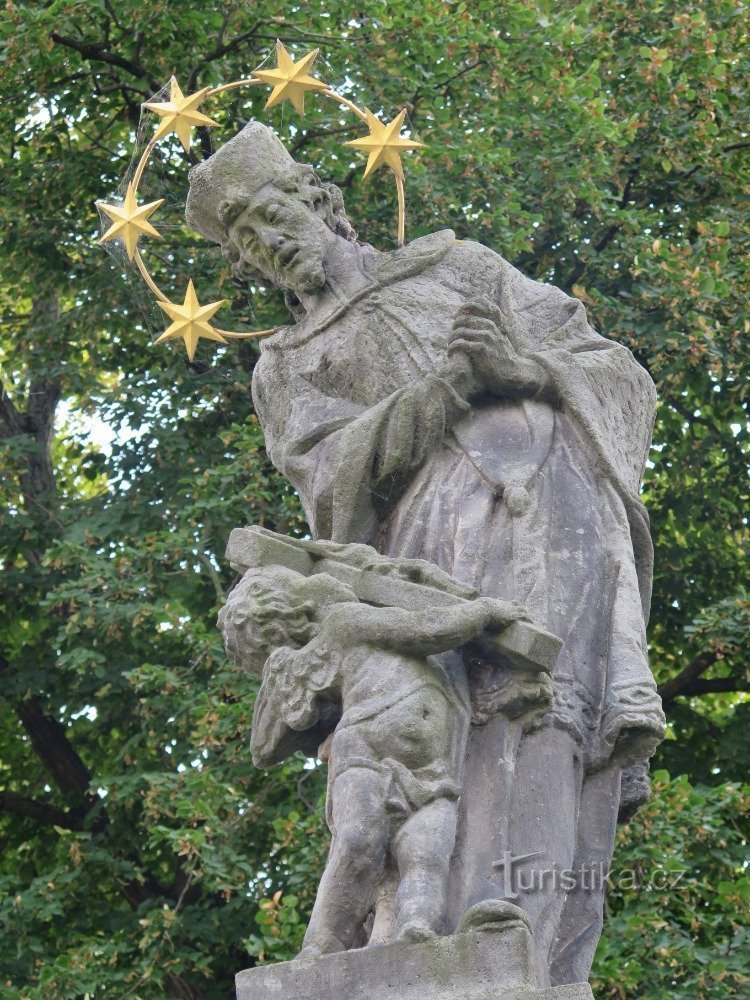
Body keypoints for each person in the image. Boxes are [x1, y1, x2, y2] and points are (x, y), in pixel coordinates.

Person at [188, 122, 665, 986]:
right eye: (248, 243)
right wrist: (444, 391)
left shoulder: (461, 269)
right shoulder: (287, 365)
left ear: (318, 199)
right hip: (425, 544)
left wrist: (522, 366)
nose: (268, 246)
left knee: (552, 709)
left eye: (271, 216)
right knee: (451, 719)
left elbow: (614, 370)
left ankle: (528, 934)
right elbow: (331, 481)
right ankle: (435, 927)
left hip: (559, 509)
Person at [219, 562, 528, 956]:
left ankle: (417, 929)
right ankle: (319, 947)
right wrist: (483, 613)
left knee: (427, 853)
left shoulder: (443, 664)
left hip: (433, 774)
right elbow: (424, 631)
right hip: (366, 754)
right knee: (358, 843)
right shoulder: (347, 622)